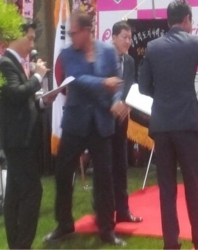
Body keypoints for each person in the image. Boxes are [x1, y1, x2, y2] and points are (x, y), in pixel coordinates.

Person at [139, 0, 198, 250]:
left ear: (168, 21)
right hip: (186, 123)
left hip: (162, 125)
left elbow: (143, 87)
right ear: (186, 19)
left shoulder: (153, 47)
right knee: (192, 184)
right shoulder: (194, 42)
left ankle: (170, 242)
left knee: (166, 188)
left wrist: (162, 97)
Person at [44, 12, 127, 246]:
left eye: (74, 33)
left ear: (87, 30)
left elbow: (118, 82)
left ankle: (107, 229)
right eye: (69, 34)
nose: (71, 37)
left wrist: (116, 100)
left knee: (104, 179)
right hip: (75, 123)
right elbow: (75, 78)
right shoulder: (67, 54)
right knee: (63, 175)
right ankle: (64, 224)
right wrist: (103, 83)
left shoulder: (108, 51)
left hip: (101, 123)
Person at [0, 19, 57, 249]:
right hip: (18, 141)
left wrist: (43, 102)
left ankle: (17, 244)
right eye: (30, 38)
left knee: (14, 195)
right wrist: (37, 77)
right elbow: (15, 94)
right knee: (32, 192)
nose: (32, 44)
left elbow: (23, 101)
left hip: (22, 140)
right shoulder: (5, 64)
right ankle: (23, 244)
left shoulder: (16, 63)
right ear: (16, 37)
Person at [110, 21, 143, 223]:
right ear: (113, 37)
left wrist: (128, 104)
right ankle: (104, 212)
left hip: (122, 121)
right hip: (104, 121)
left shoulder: (130, 60)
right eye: (124, 37)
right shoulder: (104, 58)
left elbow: (131, 86)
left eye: (130, 38)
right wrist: (113, 104)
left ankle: (123, 210)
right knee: (105, 168)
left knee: (121, 166)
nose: (128, 41)